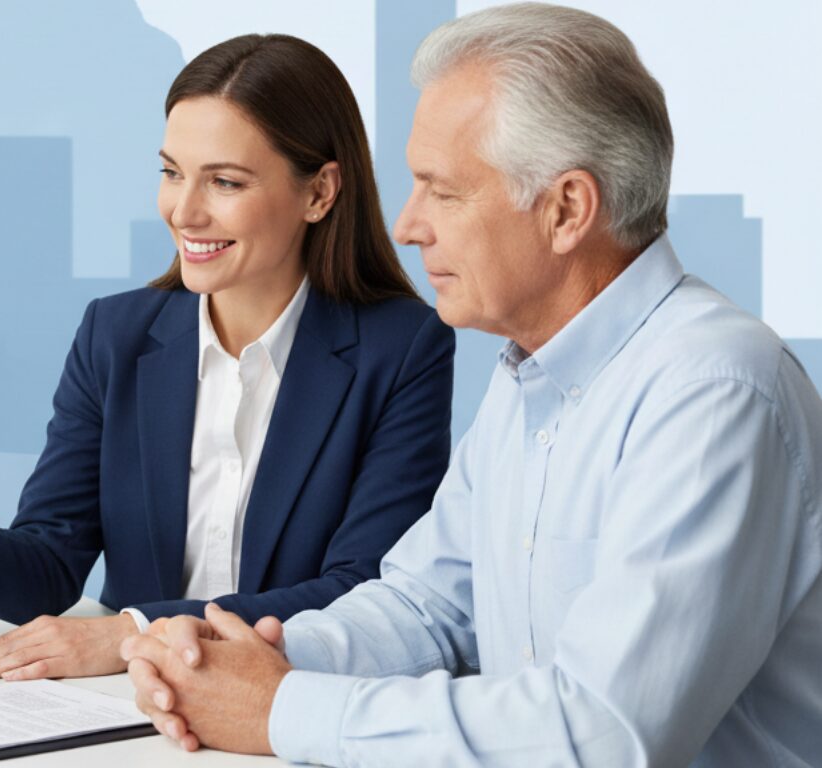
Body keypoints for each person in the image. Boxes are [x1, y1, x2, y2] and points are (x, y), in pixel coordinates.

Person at [122, 4, 822, 765]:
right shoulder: (531, 380)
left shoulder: (713, 393)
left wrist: (280, 707)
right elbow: (427, 607)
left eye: (443, 191)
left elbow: (602, 733)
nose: (408, 225)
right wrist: (242, 657)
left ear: (566, 209)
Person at [0, 34, 455, 682]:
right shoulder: (116, 335)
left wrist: (132, 631)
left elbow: (365, 592)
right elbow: (48, 567)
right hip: (125, 706)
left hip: (288, 707)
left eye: (226, 182)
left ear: (319, 192)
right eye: (172, 172)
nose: (184, 211)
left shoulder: (402, 349)